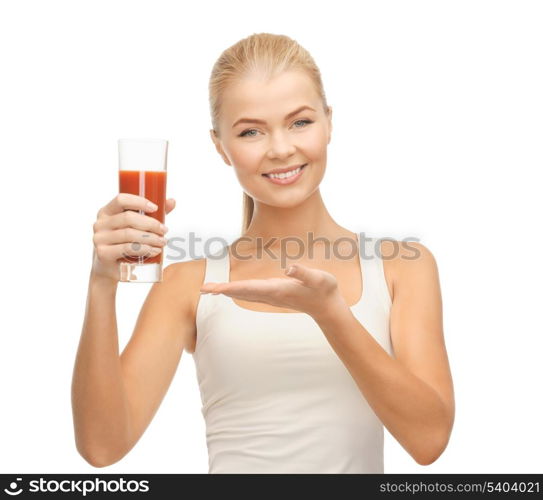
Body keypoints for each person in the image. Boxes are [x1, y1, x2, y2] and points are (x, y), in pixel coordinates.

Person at [71, 32, 455, 473]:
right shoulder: (187, 283)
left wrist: (331, 314)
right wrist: (101, 282)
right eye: (251, 131)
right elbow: (102, 447)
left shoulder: (400, 267)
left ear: (329, 122)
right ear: (220, 146)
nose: (280, 149)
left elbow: (429, 440)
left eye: (300, 122)